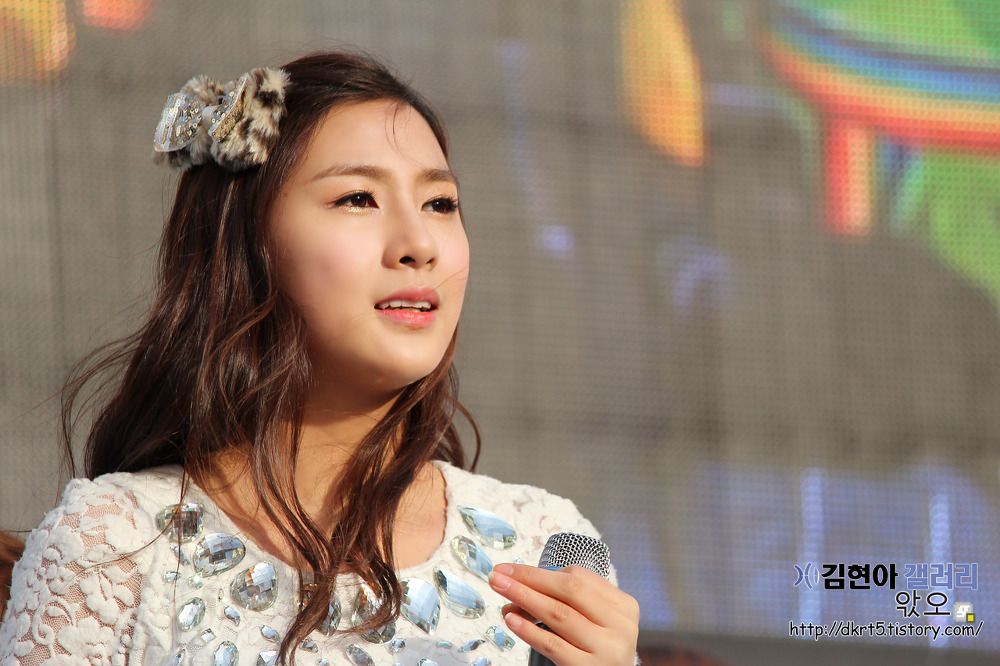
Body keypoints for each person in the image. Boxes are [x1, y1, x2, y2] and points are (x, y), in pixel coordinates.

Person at [0, 51, 639, 665]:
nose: (419, 243)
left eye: (440, 204)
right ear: (244, 242)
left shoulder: (542, 542)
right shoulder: (111, 548)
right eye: (358, 198)